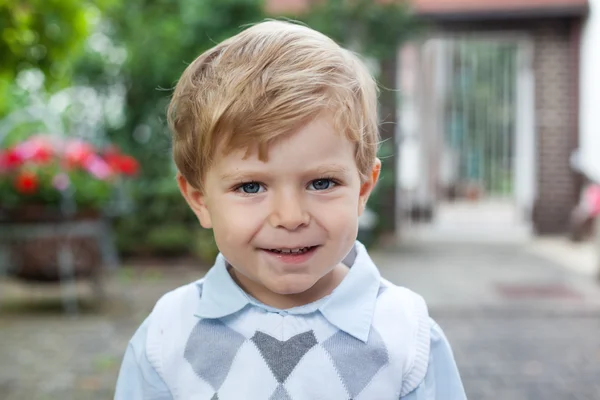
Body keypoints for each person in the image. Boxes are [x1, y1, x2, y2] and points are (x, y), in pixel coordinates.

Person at [114, 20, 467, 400]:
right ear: (200, 199)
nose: (290, 216)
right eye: (251, 187)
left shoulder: (407, 335)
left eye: (321, 183)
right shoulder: (167, 336)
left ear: (363, 188)